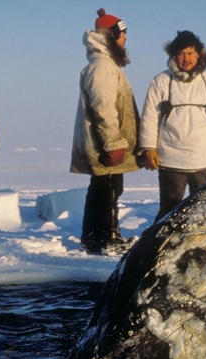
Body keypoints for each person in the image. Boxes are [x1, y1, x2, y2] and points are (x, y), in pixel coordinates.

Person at [140, 30, 206, 222]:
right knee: (169, 209)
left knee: (203, 209)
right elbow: (149, 118)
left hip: (204, 158)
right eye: (182, 53)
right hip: (171, 159)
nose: (187, 59)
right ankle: (162, 247)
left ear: (199, 54)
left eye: (191, 53)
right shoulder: (161, 81)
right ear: (174, 55)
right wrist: (149, 147)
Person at [71, 8, 141, 254]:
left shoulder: (105, 64)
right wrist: (113, 142)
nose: (125, 40)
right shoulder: (103, 67)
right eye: (122, 35)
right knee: (107, 188)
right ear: (111, 35)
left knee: (105, 187)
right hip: (105, 144)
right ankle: (104, 239)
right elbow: (103, 107)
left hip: (106, 142)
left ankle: (96, 237)